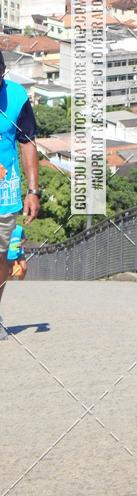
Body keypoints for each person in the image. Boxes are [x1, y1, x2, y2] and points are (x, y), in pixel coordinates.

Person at [0, 51, 40, 341]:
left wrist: (33, 190)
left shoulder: (16, 96)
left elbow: (27, 143)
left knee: (1, 258)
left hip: (5, 193)